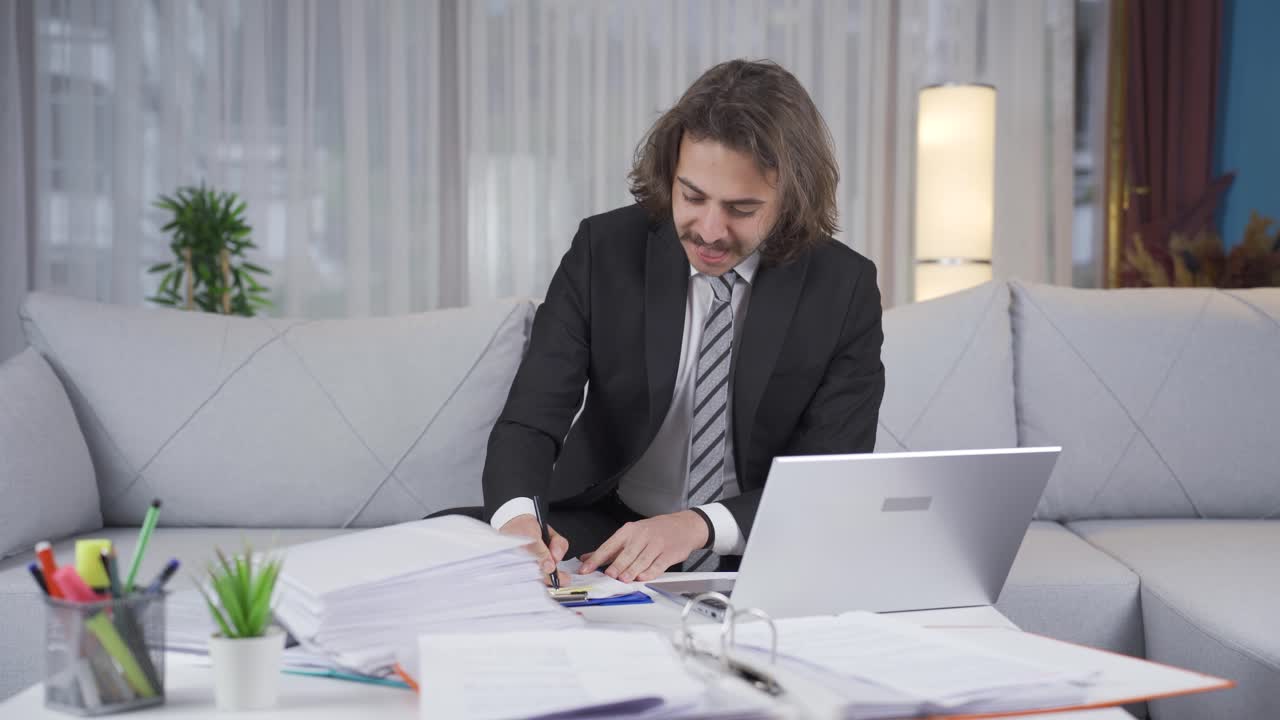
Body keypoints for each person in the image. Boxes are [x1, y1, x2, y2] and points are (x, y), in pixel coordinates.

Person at [482, 59, 884, 586]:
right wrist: (519, 524)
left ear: (791, 198)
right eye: (692, 197)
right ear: (670, 174)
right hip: (605, 524)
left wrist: (699, 526)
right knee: (439, 546)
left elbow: (829, 476)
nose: (710, 231)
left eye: (741, 208)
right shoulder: (603, 251)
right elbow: (531, 418)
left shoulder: (843, 286)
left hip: (762, 537)